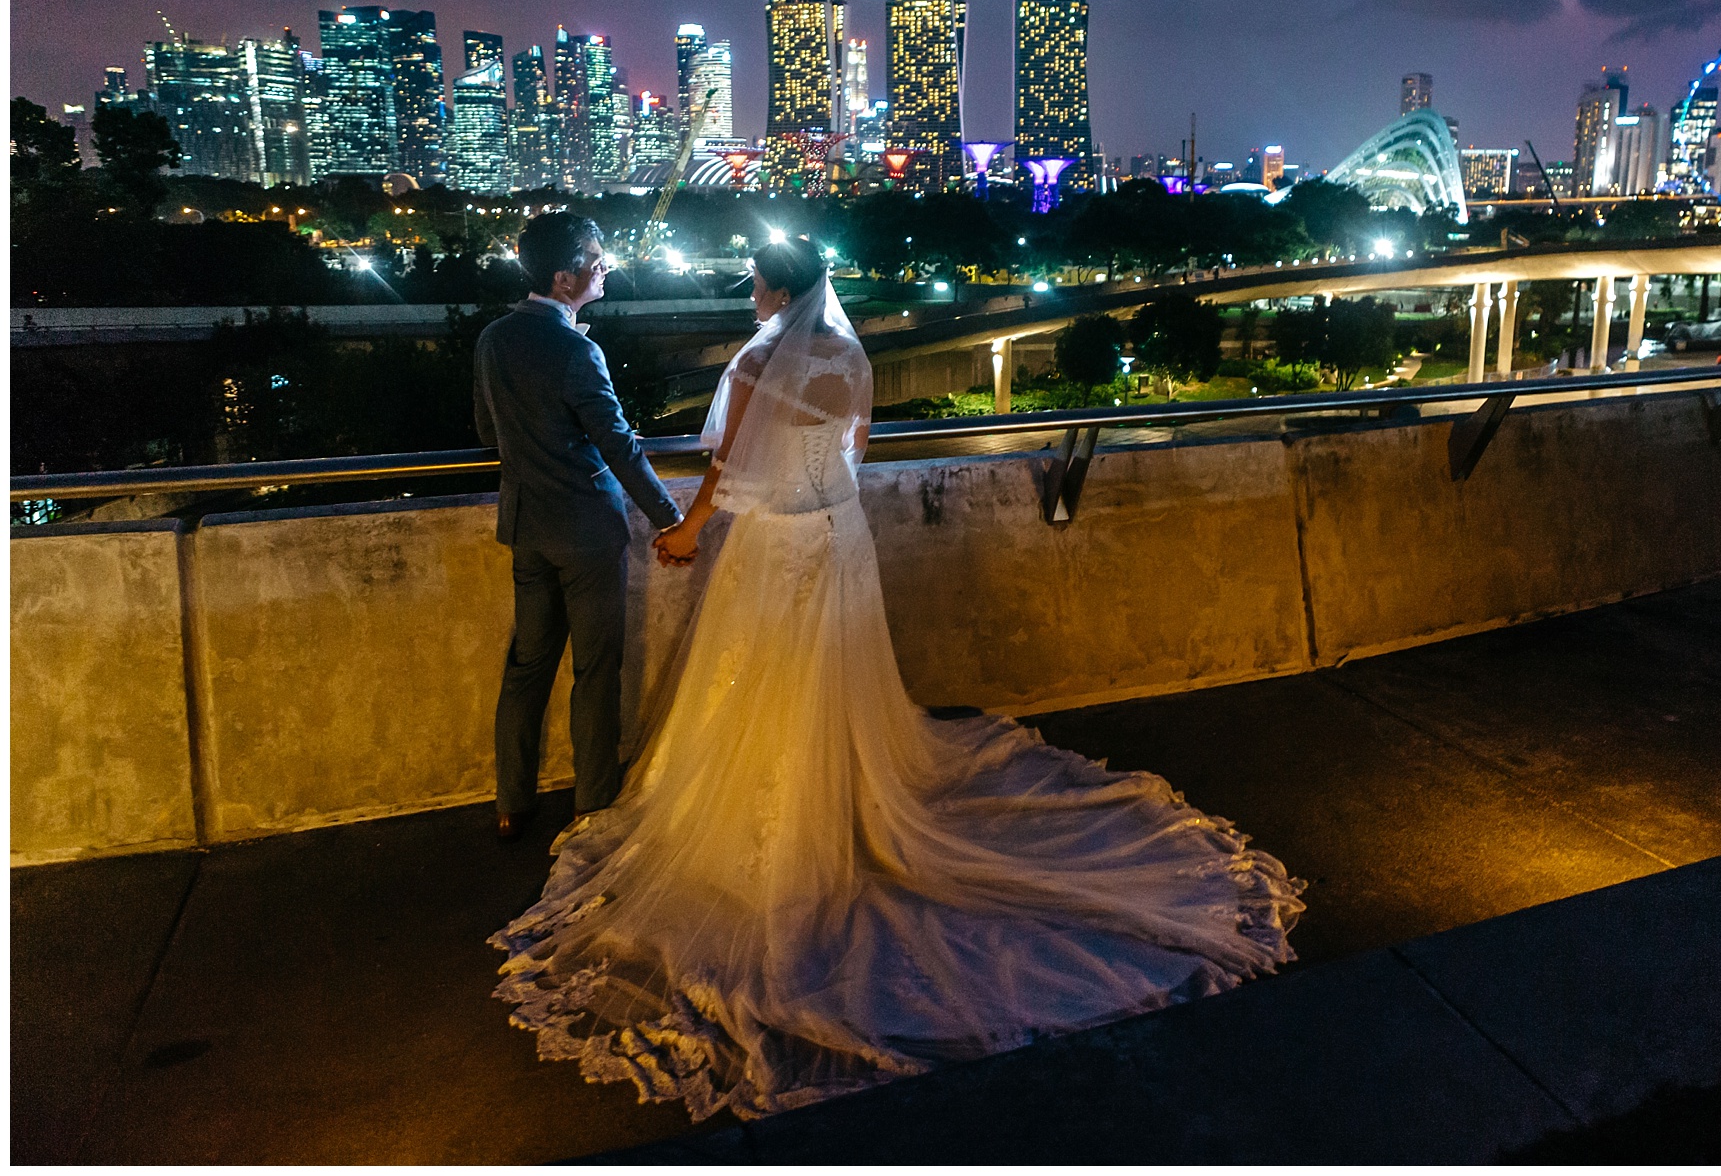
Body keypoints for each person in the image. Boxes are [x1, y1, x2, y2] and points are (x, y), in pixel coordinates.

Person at [490, 236, 1304, 1117]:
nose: (751, 293)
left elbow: (724, 468)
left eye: (757, 282)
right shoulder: (849, 355)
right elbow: (856, 448)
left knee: (751, 681)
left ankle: (748, 821)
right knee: (829, 678)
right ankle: (838, 804)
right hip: (836, 535)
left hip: (769, 548)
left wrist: (684, 531)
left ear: (779, 289)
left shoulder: (758, 361)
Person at [474, 212, 692, 843]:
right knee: (596, 671)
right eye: (597, 260)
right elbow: (619, 446)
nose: (606, 268)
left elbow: (490, 433)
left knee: (526, 667)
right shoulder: (577, 350)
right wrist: (671, 519)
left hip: (527, 527)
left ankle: (511, 802)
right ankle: (592, 802)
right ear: (565, 277)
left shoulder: (493, 338)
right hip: (588, 533)